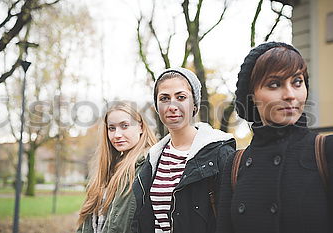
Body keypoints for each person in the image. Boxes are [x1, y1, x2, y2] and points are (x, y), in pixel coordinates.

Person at [216, 42, 333, 233]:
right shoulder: (235, 164)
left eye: (297, 82)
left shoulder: (325, 151)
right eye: (274, 84)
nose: (290, 95)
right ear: (252, 95)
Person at [131, 67, 235, 233]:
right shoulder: (151, 161)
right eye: (164, 98)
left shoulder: (220, 153)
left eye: (181, 97)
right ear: (157, 106)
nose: (172, 105)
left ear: (194, 104)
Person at [76, 101, 157, 233]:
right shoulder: (110, 168)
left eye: (124, 126)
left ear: (140, 127)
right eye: (111, 128)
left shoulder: (148, 166)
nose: (117, 135)